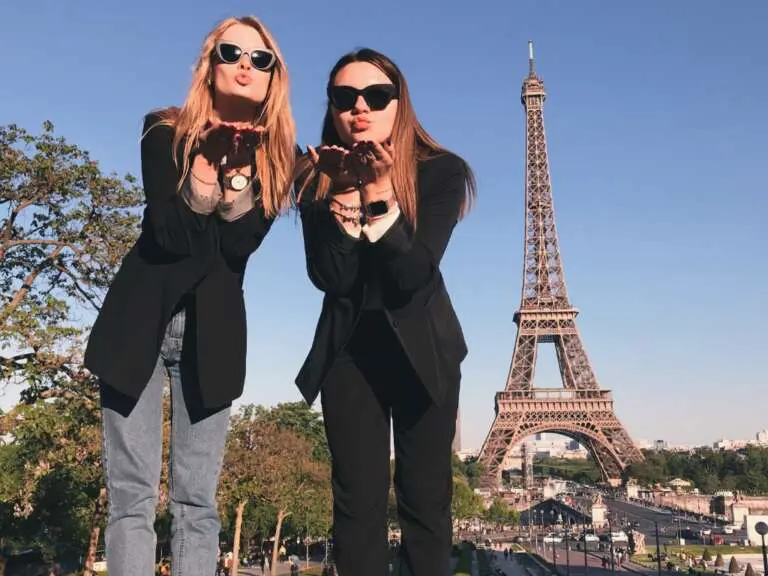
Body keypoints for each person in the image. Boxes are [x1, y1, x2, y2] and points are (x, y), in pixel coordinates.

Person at [84, 15, 295, 576]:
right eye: (231, 52)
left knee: (197, 504)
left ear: (273, 77)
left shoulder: (281, 158)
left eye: (261, 58)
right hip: (138, 326)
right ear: (209, 63)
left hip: (212, 336)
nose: (245, 65)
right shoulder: (164, 130)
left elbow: (238, 248)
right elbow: (169, 235)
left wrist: (239, 174)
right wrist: (203, 168)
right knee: (131, 497)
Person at [295, 48, 476, 575]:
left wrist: (377, 192)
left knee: (426, 499)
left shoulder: (440, 171)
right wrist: (343, 192)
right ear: (331, 108)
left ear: (400, 104)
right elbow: (331, 278)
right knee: (356, 503)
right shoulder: (315, 177)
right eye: (344, 96)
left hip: (425, 350)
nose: (360, 107)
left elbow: (412, 274)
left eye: (376, 95)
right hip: (349, 352)